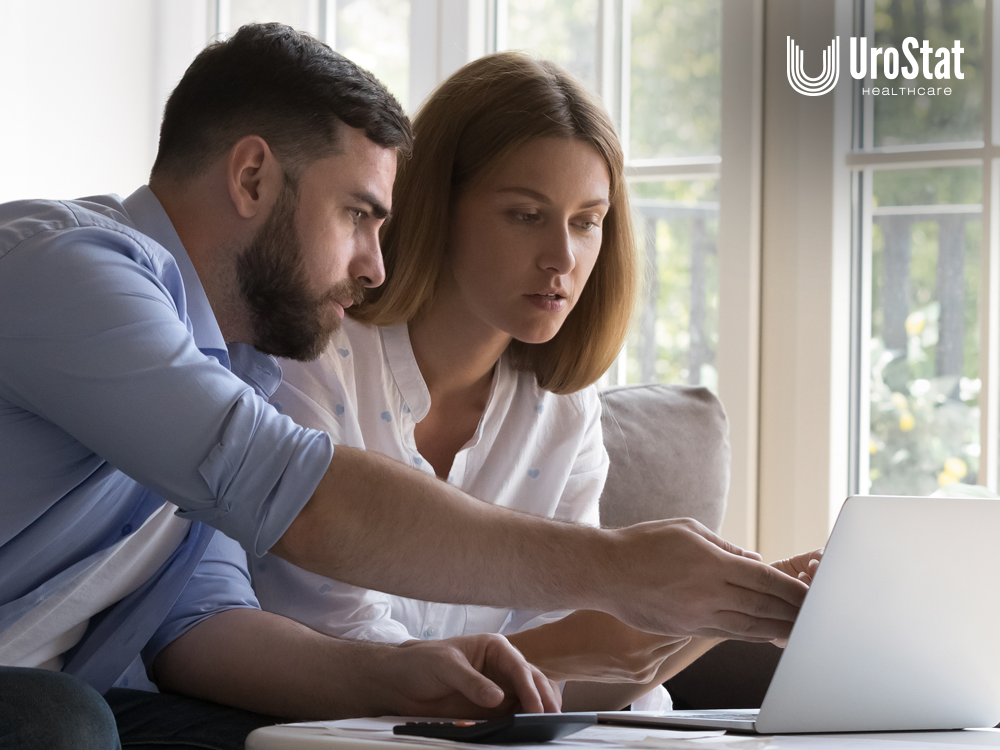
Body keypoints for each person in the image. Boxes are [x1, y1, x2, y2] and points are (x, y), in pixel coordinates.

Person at [0, 23, 809, 749]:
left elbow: (197, 627)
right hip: (50, 705)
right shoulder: (72, 270)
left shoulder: (236, 359)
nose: (375, 265)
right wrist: (617, 567)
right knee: (62, 719)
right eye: (356, 215)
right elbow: (304, 499)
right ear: (251, 178)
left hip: (81, 695)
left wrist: (400, 677)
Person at [251, 51, 821, 713]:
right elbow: (349, 659)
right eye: (525, 215)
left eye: (586, 223)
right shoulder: (312, 357)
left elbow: (571, 685)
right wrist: (584, 643)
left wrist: (721, 616)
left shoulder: (562, 410)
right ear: (435, 204)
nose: (562, 259)